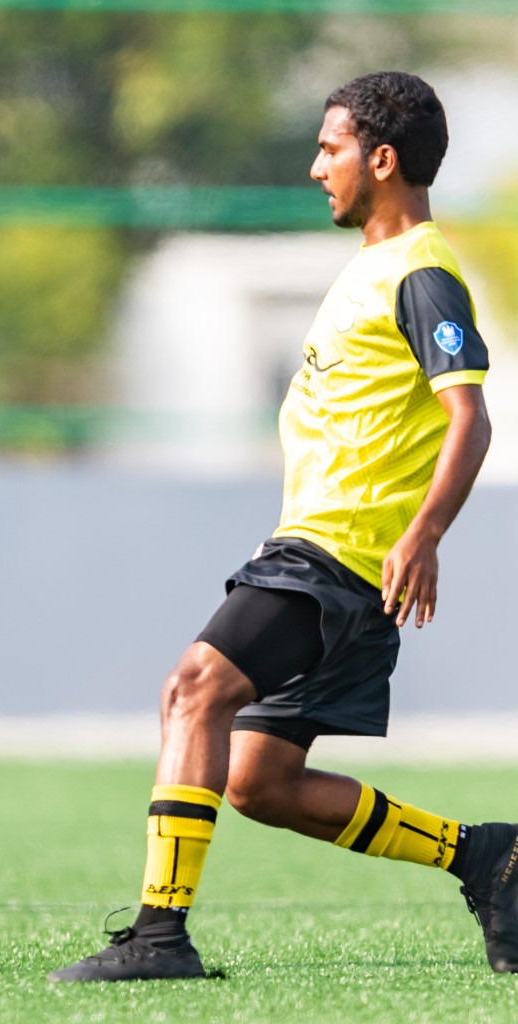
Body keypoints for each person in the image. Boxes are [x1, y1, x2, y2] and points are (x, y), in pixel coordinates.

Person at [50, 71, 518, 983]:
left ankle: (158, 935)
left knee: (194, 689)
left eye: (330, 147)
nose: (315, 167)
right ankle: (484, 855)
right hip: (335, 559)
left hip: (335, 558)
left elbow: (472, 417)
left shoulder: (420, 269)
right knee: (259, 782)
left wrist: (424, 534)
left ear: (381, 160)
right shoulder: (378, 267)